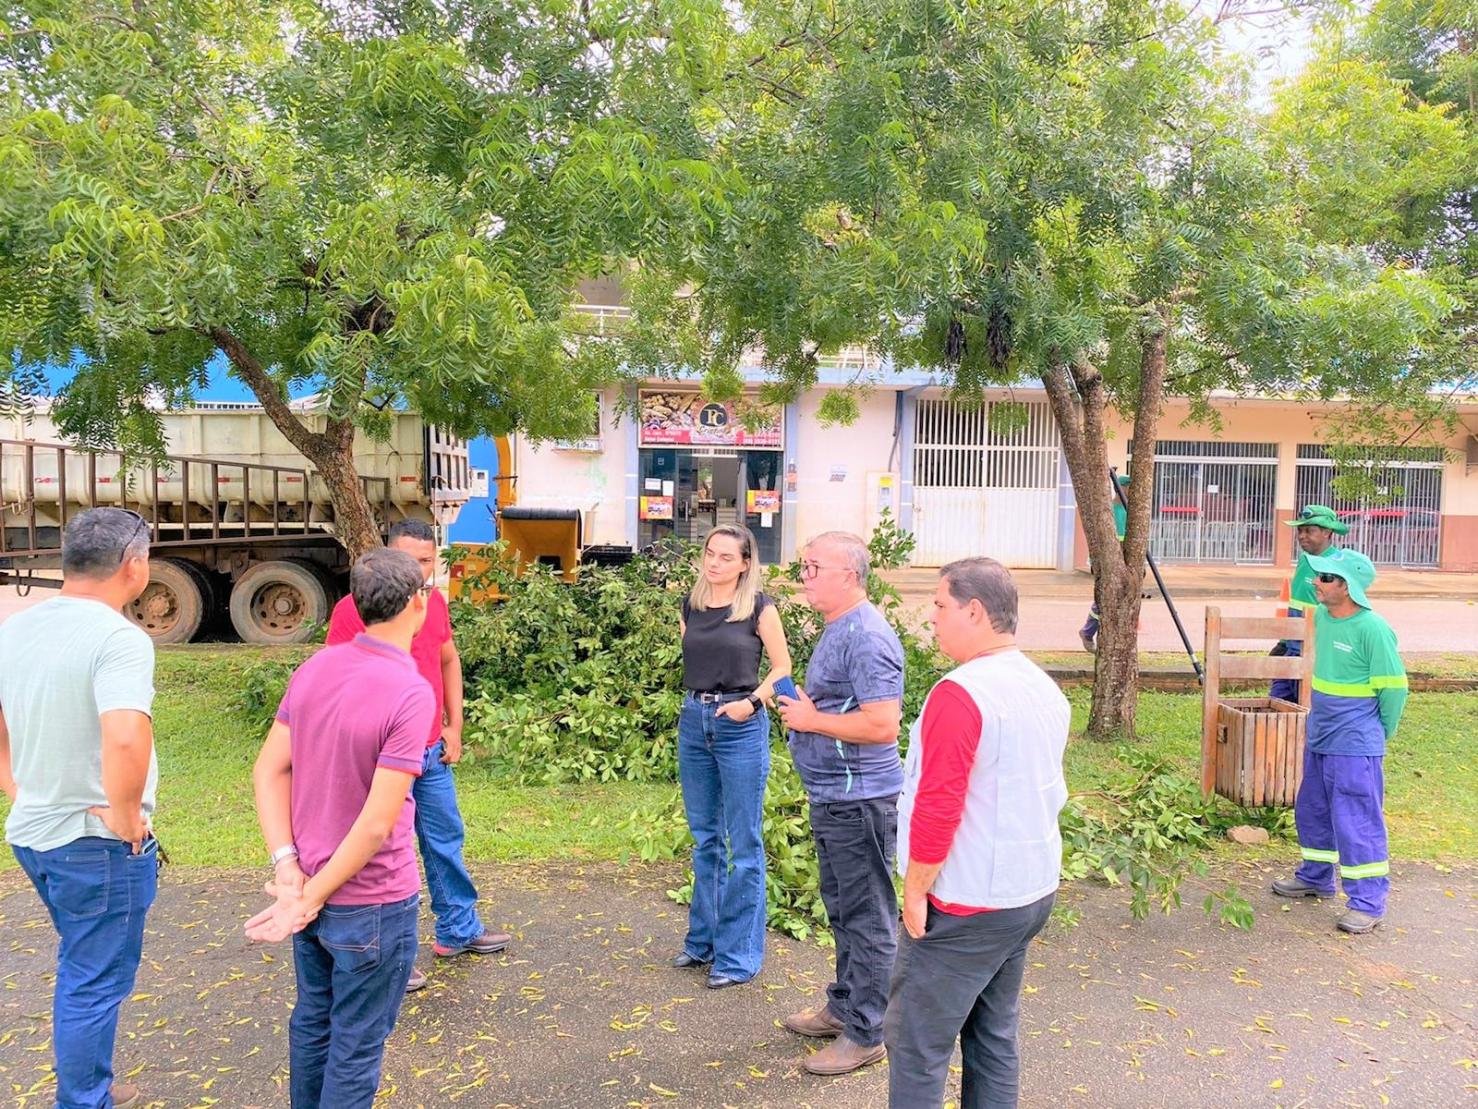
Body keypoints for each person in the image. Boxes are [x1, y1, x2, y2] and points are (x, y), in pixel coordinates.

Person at [246, 547, 436, 1107]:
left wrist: (290, 870)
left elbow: (267, 770)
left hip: (310, 887)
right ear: (417, 603)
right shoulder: (409, 691)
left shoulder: (315, 668)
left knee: (314, 1023)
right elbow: (377, 824)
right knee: (355, 1045)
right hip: (372, 900)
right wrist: (309, 895)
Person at [884, 558, 1068, 1109]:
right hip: (1027, 892)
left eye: (940, 605)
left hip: (965, 900)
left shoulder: (961, 693)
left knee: (916, 1044)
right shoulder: (1041, 686)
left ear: (975, 611)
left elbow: (939, 804)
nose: (932, 617)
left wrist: (916, 889)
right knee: (992, 1035)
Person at [0, 507, 160, 1109]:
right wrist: (125, 815)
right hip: (93, 843)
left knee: (83, 964)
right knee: (93, 980)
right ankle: (83, 1098)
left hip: (34, 834)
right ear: (134, 566)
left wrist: (19, 788)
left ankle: (91, 1083)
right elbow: (125, 736)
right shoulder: (118, 638)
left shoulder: (16, 628)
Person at [327, 519, 508, 992]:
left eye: (427, 561)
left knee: (445, 838)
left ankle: (458, 929)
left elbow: (448, 659)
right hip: (385, 758)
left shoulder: (433, 603)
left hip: (429, 751)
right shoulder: (353, 610)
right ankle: (390, 956)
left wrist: (454, 725)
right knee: (388, 854)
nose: (419, 571)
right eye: (409, 561)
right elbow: (338, 680)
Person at [776, 531, 904, 1077]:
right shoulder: (839, 627)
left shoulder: (868, 636)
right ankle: (844, 1005)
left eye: (813, 568)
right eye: (803, 567)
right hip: (833, 796)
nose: (804, 577)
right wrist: (811, 711)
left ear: (848, 575)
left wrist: (812, 719)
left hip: (860, 801)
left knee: (868, 916)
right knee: (844, 909)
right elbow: (845, 705)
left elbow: (882, 725)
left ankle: (867, 1033)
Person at [673, 524, 792, 989]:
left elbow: (782, 668)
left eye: (726, 556)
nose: (714, 562)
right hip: (694, 719)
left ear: (745, 564)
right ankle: (703, 941)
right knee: (706, 839)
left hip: (740, 724)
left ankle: (739, 956)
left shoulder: (760, 608)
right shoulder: (691, 605)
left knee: (744, 844)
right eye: (710, 553)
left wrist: (753, 703)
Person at [1271, 548, 1407, 935]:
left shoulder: (1373, 629)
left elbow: (1394, 690)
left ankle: (1367, 902)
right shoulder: (1323, 618)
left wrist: (1376, 733)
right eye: (1319, 575)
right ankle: (1315, 876)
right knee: (1313, 808)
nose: (1316, 582)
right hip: (1322, 733)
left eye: (1326, 578)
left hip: (1354, 741)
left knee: (1357, 820)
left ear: (1347, 587)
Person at [1269, 503, 1347, 703]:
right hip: (1291, 649)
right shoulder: (1304, 560)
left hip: (1315, 654)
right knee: (1278, 704)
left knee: (1306, 708)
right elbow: (1296, 604)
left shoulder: (1337, 565)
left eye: (1309, 531)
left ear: (1327, 532)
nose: (1302, 536)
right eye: (1300, 531)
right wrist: (1283, 642)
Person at [1079, 473, 1133, 652]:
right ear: (1122, 488)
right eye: (1129, 488)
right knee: (1105, 598)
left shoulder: (1126, 510)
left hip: (1120, 563)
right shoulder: (1116, 511)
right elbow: (1119, 541)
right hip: (1110, 563)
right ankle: (1088, 631)